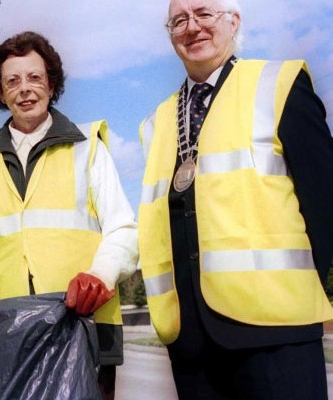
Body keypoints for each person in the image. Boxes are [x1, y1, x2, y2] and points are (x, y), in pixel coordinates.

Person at [138, 0, 333, 398]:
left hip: (276, 335)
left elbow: (325, 202)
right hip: (191, 342)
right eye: (179, 21)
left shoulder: (277, 85)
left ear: (233, 21)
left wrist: (288, 292)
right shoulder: (157, 122)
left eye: (204, 14)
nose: (192, 27)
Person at [0, 31, 139, 399]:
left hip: (84, 326)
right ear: (0, 94)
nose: (25, 89)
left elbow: (123, 229)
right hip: (4, 333)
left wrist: (100, 274)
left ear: (51, 84)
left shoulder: (87, 147)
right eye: (12, 81)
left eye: (35, 77)